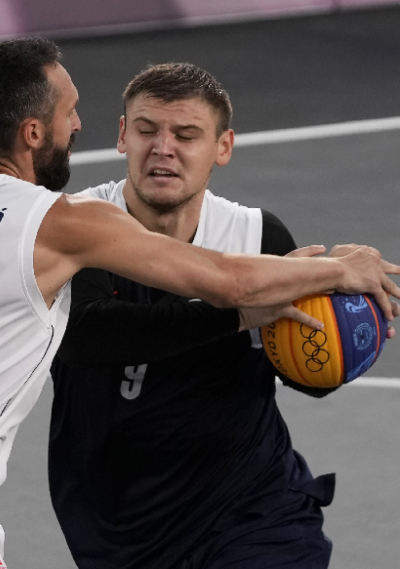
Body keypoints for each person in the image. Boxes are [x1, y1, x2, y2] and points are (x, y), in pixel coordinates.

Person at [0, 38, 399, 569]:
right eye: (72, 113)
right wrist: (340, 268)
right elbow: (228, 286)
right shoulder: (60, 223)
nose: (80, 126)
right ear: (33, 131)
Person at [48, 62, 400, 569]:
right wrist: (236, 312)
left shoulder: (257, 238)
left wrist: (344, 328)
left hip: (252, 506)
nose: (163, 148)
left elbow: (304, 374)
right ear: (123, 136)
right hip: (120, 525)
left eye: (186, 135)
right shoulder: (75, 228)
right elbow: (91, 337)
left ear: (223, 147)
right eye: (147, 130)